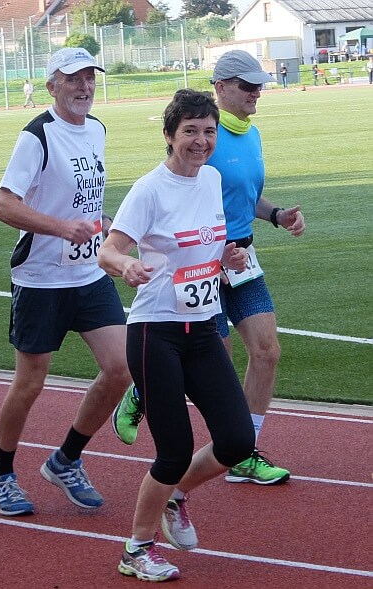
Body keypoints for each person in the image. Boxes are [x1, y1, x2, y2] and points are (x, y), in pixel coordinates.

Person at [113, 50, 306, 487]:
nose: (255, 91)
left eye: (258, 84)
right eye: (246, 84)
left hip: (239, 257)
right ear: (220, 88)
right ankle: (142, 391)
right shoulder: (199, 144)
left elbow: (243, 197)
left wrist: (277, 215)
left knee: (267, 351)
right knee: (209, 360)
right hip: (195, 267)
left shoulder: (248, 135)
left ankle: (245, 453)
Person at [98, 89, 255, 582]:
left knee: (236, 439)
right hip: (155, 333)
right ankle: (136, 550)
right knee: (173, 450)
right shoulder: (149, 189)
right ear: (169, 135)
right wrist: (127, 266)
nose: (201, 141)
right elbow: (109, 250)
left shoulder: (210, 179)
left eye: (208, 131)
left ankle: (176, 494)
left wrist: (227, 259)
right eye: (190, 131)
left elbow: (207, 242)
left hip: (204, 328)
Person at [0, 47, 132, 517]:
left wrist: (102, 223)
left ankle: (66, 459)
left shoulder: (97, 130)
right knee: (30, 381)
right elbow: (3, 205)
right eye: (73, 79)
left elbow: (85, 202)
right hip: (41, 279)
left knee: (121, 367)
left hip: (88, 274)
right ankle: (1, 475)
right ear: (52, 86)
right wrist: (58, 226)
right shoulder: (37, 137)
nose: (84, 87)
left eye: (90, 78)